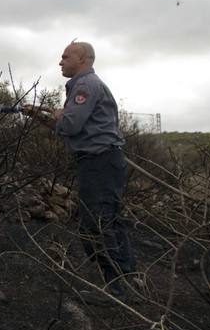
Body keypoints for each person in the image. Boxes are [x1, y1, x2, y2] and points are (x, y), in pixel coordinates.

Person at [22, 41, 138, 306]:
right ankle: (125, 281)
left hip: (100, 163)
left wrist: (62, 114)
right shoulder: (85, 85)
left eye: (64, 57)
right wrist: (39, 117)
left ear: (82, 58)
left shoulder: (85, 86)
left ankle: (116, 290)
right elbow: (69, 127)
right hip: (101, 162)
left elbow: (71, 124)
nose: (60, 62)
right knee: (106, 220)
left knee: (98, 224)